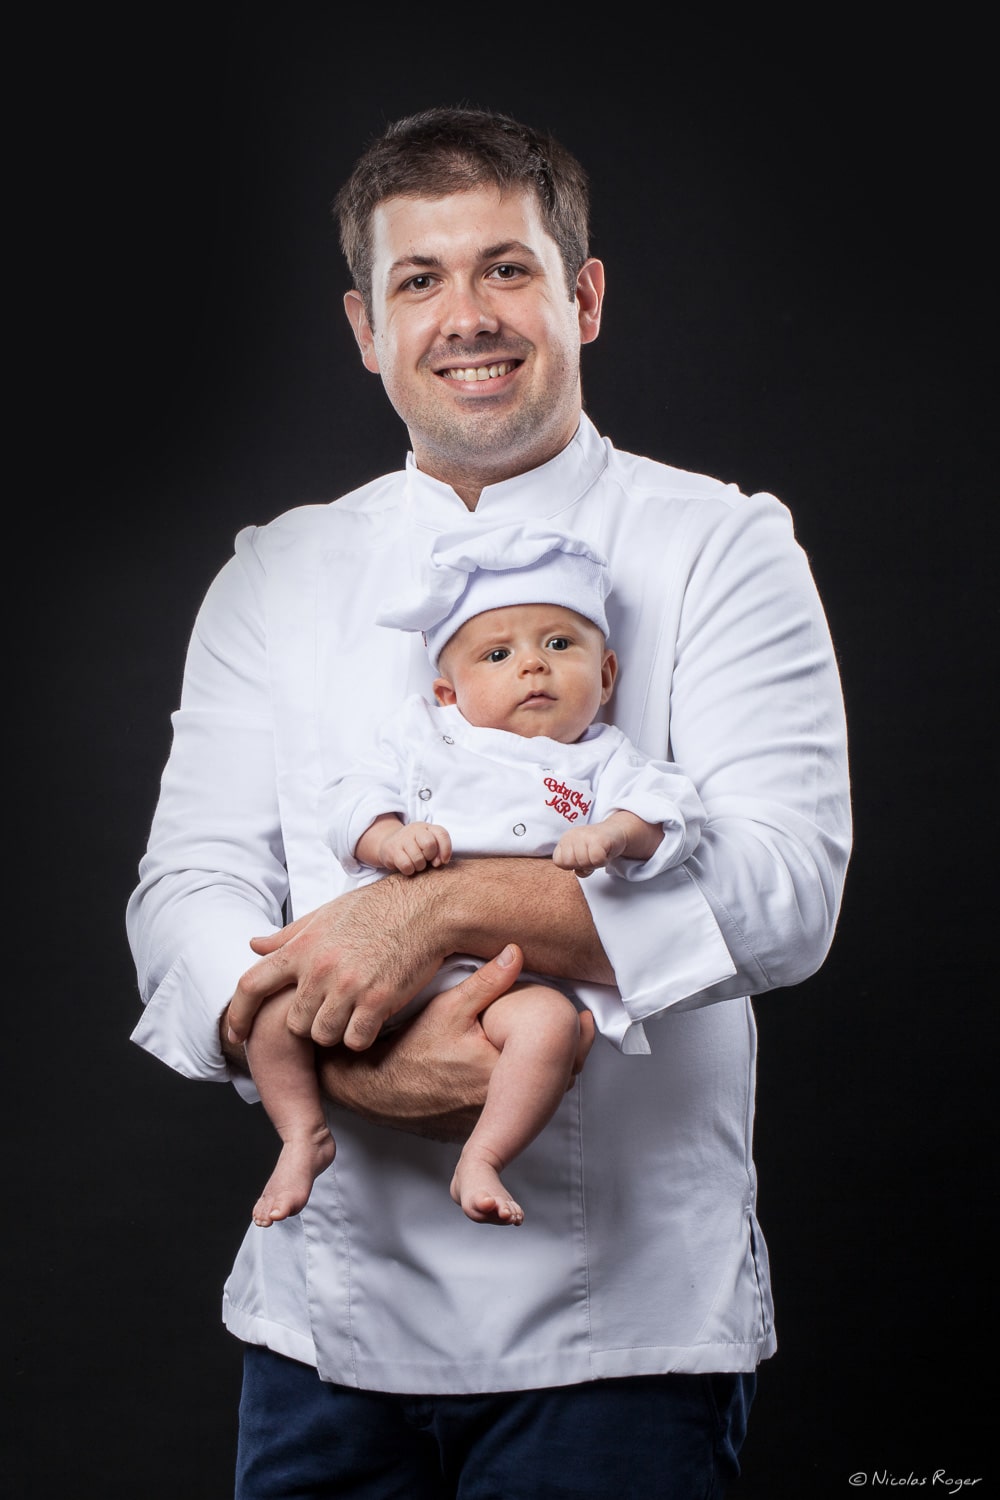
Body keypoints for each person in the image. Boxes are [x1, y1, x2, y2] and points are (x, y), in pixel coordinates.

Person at [126, 105, 851, 1498]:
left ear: (583, 294)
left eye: (507, 269)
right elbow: (191, 888)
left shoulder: (721, 544)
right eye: (420, 280)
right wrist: (338, 1062)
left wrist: (444, 908)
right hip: (319, 1330)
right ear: (364, 325)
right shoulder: (275, 573)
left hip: (622, 1335)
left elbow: (785, 894)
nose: (468, 316)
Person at [245, 522, 707, 1230]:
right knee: (272, 1016)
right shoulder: (422, 737)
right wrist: (388, 838)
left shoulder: (604, 758)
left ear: (607, 675)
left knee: (550, 1025)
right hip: (376, 957)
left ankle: (484, 1156)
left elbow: (668, 814)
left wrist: (612, 832)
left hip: (504, 975)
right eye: (498, 653)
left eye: (560, 644)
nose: (533, 666)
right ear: (449, 694)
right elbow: (346, 802)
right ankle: (301, 1132)